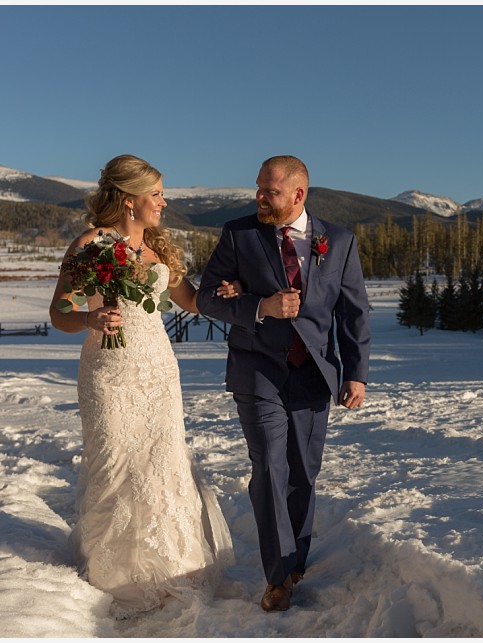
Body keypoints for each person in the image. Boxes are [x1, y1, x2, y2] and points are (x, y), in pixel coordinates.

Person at [49, 154, 239, 619]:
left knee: (162, 463)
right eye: (156, 194)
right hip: (108, 372)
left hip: (156, 369)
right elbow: (59, 313)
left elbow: (191, 301)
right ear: (129, 199)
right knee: (116, 463)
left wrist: (225, 294)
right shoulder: (91, 244)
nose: (164, 202)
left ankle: (176, 565)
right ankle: (115, 573)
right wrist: (90, 317)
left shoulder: (158, 247)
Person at [197, 155, 371, 612]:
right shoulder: (239, 234)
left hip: (314, 374)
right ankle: (277, 578)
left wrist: (355, 373)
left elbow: (353, 312)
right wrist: (260, 307)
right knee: (270, 467)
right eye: (257, 187)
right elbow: (207, 298)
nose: (259, 197)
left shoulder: (339, 240)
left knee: (303, 473)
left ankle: (296, 561)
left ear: (298, 195)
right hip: (257, 371)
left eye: (269, 191)